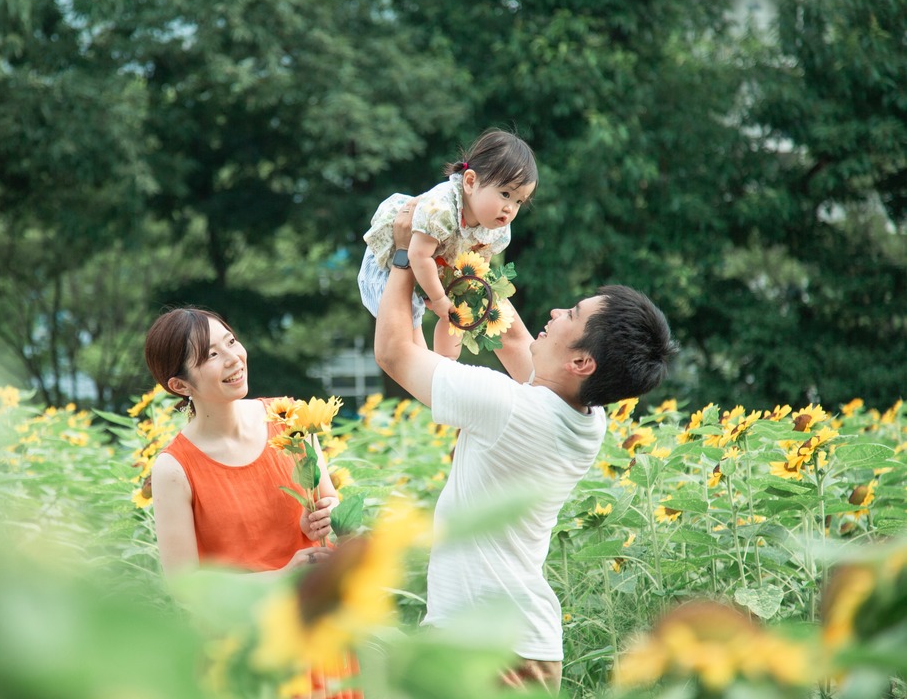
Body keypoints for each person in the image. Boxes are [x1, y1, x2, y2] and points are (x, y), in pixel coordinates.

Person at [373, 206, 677, 692]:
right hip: (519, 645)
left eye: (571, 315)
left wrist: (407, 258)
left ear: (581, 361)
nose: (554, 313)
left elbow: (393, 353)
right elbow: (512, 334)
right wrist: (464, 256)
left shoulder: (508, 408)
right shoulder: (586, 417)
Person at [144, 307, 340, 577]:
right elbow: (185, 585)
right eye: (212, 355)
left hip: (322, 603)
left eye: (231, 342)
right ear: (180, 386)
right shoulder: (175, 468)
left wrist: (325, 515)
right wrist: (283, 576)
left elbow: (329, 500)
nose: (233, 358)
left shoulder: (289, 417)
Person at [359, 129, 537, 360]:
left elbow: (477, 264)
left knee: (458, 311)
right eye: (505, 194)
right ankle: (427, 373)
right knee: (408, 330)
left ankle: (446, 365)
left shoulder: (497, 227)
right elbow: (418, 255)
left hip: (434, 264)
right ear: (471, 181)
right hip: (393, 263)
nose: (510, 208)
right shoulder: (441, 208)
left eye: (519, 201)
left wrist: (460, 294)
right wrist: (439, 298)